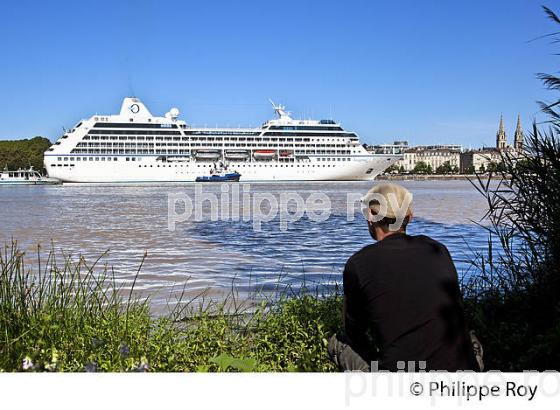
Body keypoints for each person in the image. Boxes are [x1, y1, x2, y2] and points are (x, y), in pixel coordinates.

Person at [328, 183, 480, 371]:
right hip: (463, 375)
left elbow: (354, 332)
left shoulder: (358, 264)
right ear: (409, 217)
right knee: (470, 338)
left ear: (370, 216)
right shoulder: (438, 249)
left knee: (339, 342)